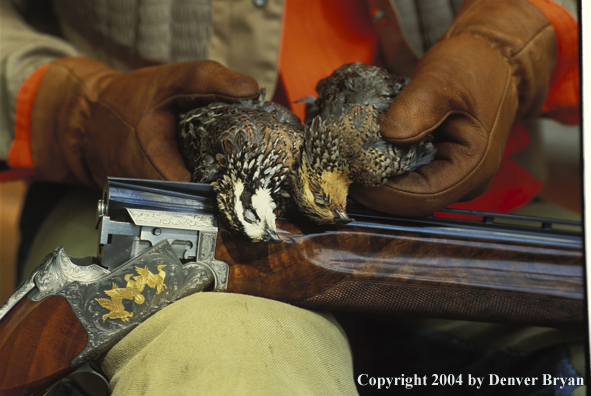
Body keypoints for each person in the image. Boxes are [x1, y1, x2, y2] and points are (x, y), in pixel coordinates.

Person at [0, 0, 584, 395]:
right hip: (150, 204)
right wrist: (72, 110)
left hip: (468, 216)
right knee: (233, 368)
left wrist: (512, 46)